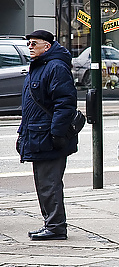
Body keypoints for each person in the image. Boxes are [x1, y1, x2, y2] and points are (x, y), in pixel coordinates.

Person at [17, 30, 78, 240]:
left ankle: (56, 227)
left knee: (49, 184)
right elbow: (30, 107)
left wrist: (56, 134)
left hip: (48, 137)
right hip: (37, 136)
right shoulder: (39, 67)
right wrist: (22, 134)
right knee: (43, 184)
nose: (31, 46)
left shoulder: (55, 67)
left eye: (35, 43)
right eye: (29, 44)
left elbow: (65, 103)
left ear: (47, 46)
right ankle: (51, 224)